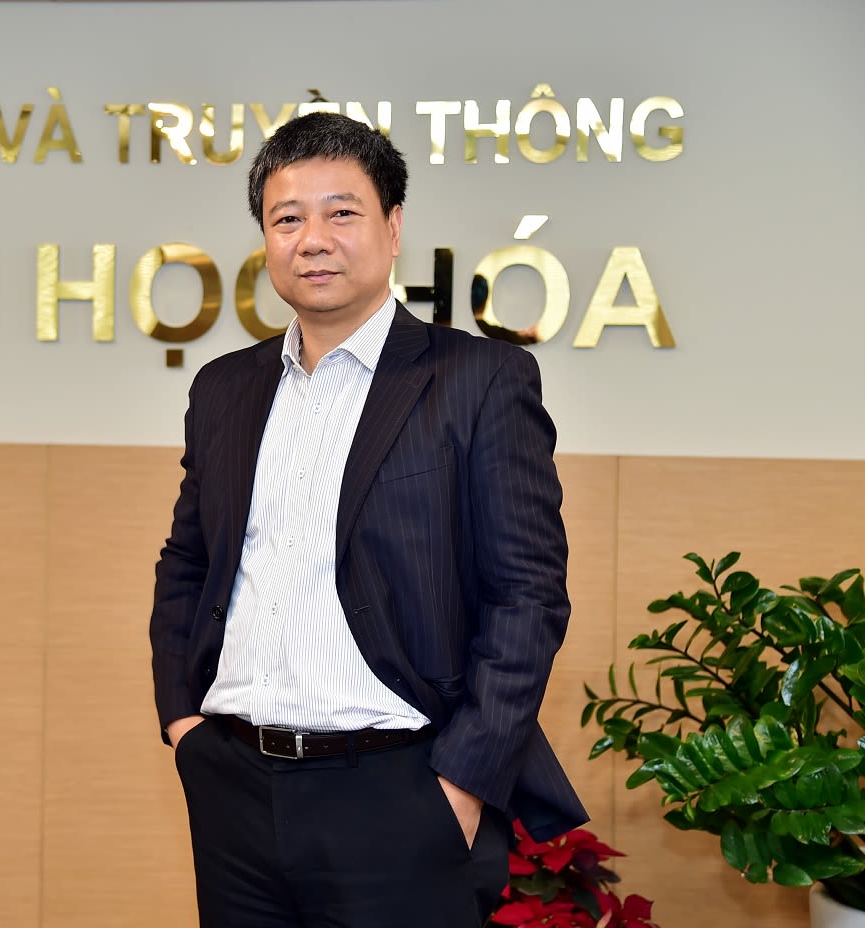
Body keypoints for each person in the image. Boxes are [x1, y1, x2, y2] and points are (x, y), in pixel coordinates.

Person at [149, 111, 586, 928]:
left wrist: (461, 783)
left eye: (341, 212)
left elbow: (528, 595)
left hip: (400, 788)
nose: (312, 239)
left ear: (392, 228)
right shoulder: (224, 388)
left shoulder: (478, 380)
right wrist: (184, 723)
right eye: (287, 218)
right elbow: (188, 562)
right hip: (234, 785)